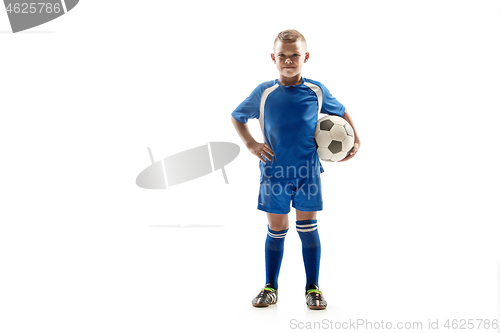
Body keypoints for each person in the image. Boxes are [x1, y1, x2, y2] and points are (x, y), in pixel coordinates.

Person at [231, 29, 360, 310]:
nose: (288, 61)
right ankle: (270, 286)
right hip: (273, 173)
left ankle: (312, 288)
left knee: (307, 227)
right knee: (276, 229)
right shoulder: (264, 92)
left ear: (306, 57)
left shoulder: (316, 90)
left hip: (307, 173)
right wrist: (251, 143)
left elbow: (341, 111)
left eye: (295, 56)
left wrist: (357, 137)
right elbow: (237, 116)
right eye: (282, 56)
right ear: (273, 58)